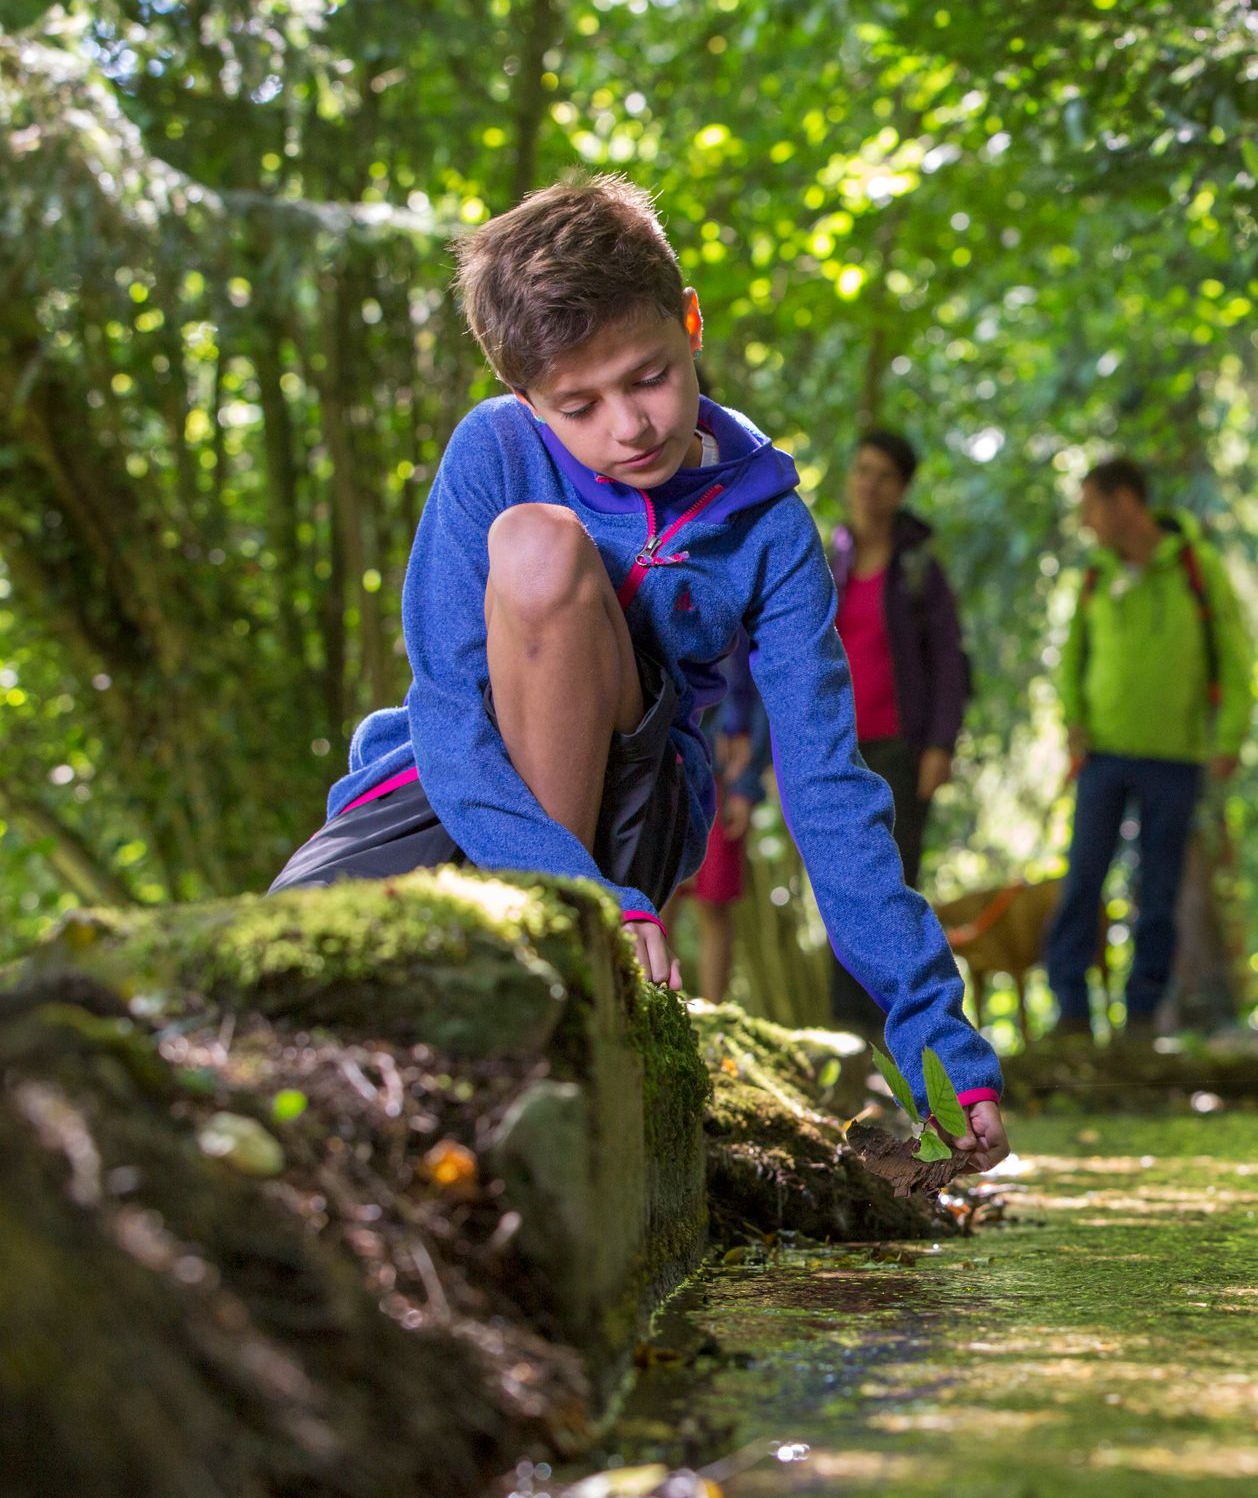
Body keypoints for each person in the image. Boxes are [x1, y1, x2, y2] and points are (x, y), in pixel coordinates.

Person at [267, 174, 1005, 1168]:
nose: (630, 425)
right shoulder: (491, 447)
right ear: (528, 400)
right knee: (267, 973)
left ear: (689, 320)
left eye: (648, 376)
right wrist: (569, 881)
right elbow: (446, 706)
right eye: (580, 404)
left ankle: (551, 971)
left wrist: (934, 1031)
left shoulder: (770, 528)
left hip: (627, 818)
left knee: (537, 548)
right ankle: (525, 928)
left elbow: (829, 787)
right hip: (456, 781)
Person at [1045, 457, 1253, 1038]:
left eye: (1091, 505)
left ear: (1124, 502)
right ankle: (1070, 1013)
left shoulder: (1194, 567)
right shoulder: (1093, 576)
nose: (1086, 521)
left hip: (1177, 757)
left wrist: (1229, 737)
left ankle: (1142, 1016)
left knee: (1157, 891)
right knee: (1083, 878)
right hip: (1103, 755)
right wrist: (1073, 722)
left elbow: (1235, 659)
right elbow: (1071, 661)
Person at [828, 427, 972, 1028]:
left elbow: (950, 662)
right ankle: (845, 1034)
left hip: (900, 752)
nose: (869, 485)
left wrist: (940, 745)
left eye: (884, 475)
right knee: (839, 890)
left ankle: (898, 1033)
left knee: (891, 892)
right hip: (835, 753)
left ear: (902, 488)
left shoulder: (918, 568)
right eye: (863, 470)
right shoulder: (828, 559)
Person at [670, 635, 767, 1005]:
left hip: (721, 770)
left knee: (713, 900)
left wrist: (745, 785)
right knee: (661, 892)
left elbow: (755, 692)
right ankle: (659, 999)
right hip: (666, 764)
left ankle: (713, 1013)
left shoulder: (741, 606)